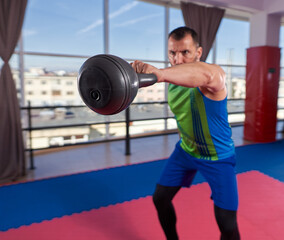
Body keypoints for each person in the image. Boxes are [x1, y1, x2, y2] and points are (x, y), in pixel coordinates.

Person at [131, 26, 240, 240]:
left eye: (185, 52)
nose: (177, 59)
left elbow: (209, 74)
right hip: (185, 151)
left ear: (198, 53)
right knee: (160, 199)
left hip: (217, 157)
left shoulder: (209, 78)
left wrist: (159, 74)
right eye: (172, 52)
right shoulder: (171, 80)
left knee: (227, 224)